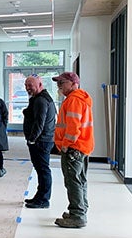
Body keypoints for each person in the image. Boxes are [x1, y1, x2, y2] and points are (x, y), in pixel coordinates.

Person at [51, 71, 94, 228]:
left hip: (73, 148)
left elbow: (73, 128)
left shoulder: (74, 100)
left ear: (74, 83)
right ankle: (81, 209)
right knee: (80, 179)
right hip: (83, 146)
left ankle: (77, 215)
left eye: (62, 83)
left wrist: (65, 145)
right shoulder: (81, 99)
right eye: (58, 83)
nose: (59, 86)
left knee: (72, 181)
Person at [22, 75, 57, 209]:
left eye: (30, 85)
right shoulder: (40, 98)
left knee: (43, 170)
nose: (27, 88)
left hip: (41, 141)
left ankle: (43, 199)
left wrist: (32, 139)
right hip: (42, 140)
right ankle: (40, 196)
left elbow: (39, 123)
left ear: (40, 84)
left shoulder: (41, 100)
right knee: (41, 170)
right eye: (26, 85)